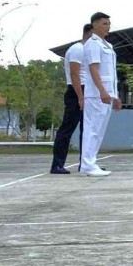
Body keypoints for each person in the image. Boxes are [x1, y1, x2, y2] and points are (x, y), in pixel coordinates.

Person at [79, 12, 121, 177]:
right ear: (95, 25)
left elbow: (110, 74)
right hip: (96, 95)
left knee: (99, 130)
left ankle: (91, 162)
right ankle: (88, 165)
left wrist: (114, 95)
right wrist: (103, 91)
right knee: (92, 129)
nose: (108, 27)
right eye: (104, 23)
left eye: (109, 24)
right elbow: (93, 69)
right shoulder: (93, 44)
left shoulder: (107, 45)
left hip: (106, 94)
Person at [50, 23, 91, 175]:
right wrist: (80, 97)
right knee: (67, 129)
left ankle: (86, 163)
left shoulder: (88, 50)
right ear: (89, 32)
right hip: (76, 90)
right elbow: (75, 74)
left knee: (86, 130)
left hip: (87, 90)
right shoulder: (77, 49)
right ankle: (57, 165)